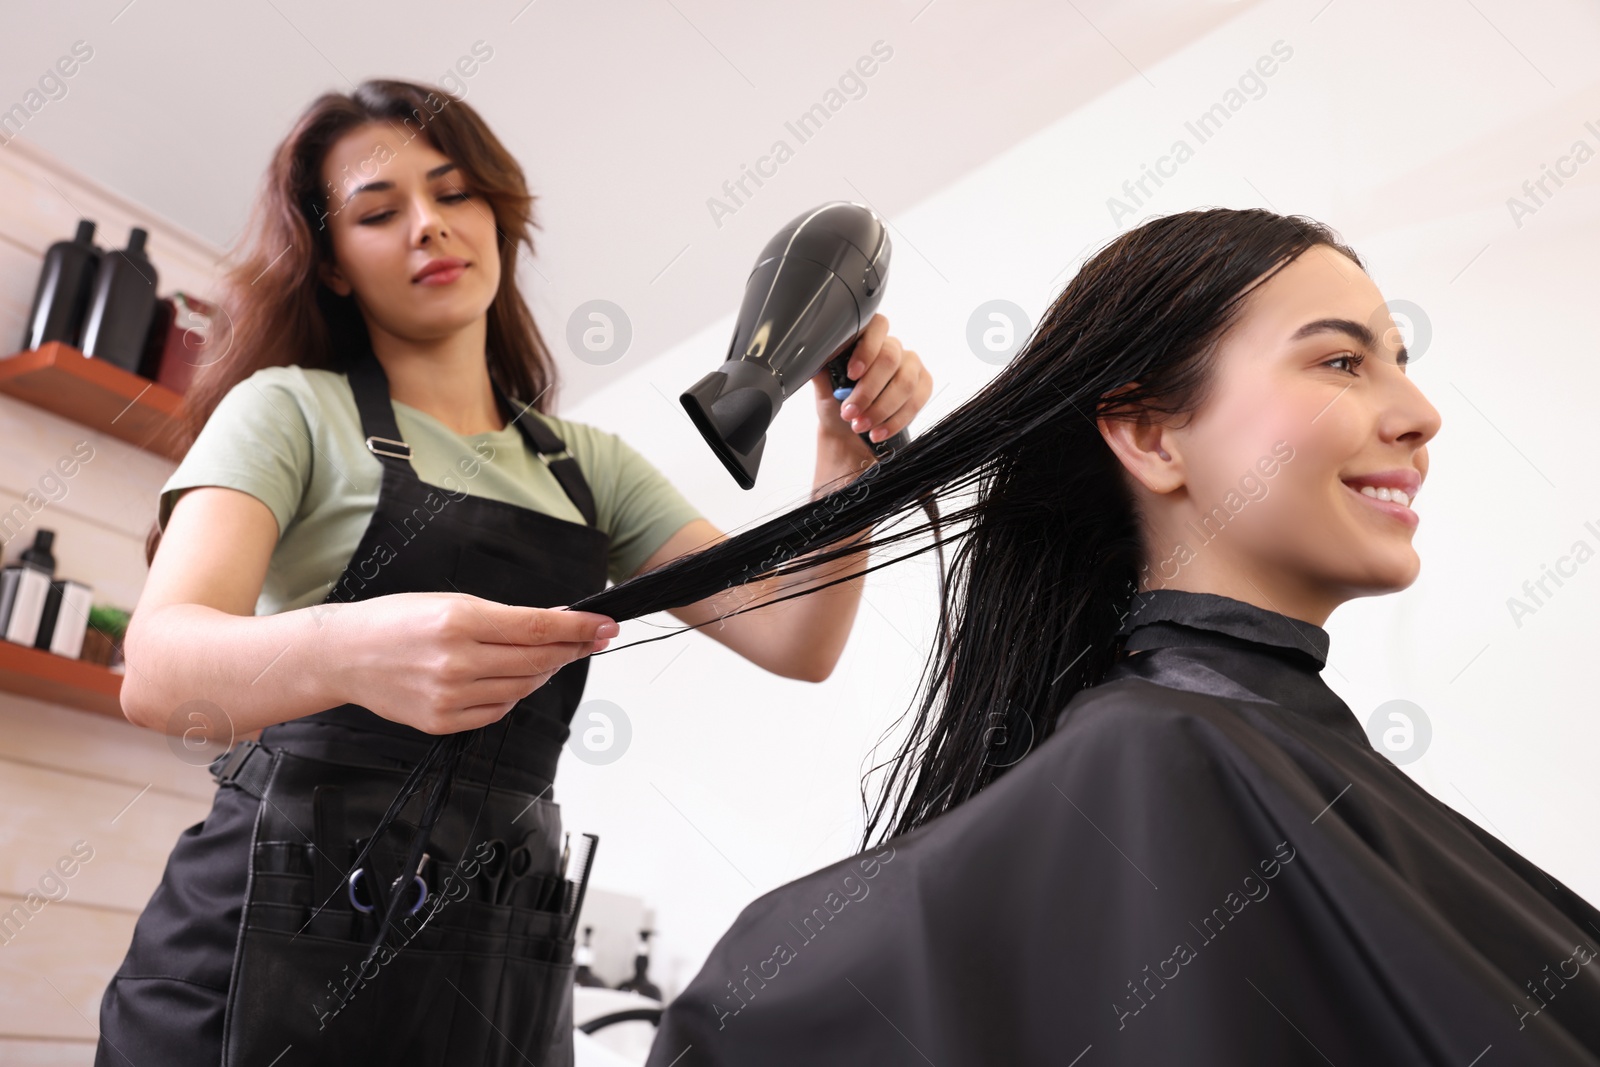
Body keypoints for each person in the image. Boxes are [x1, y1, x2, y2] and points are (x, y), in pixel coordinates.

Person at [559, 207, 1600, 1064]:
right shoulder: (1157, 757)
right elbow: (750, 1022)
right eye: (1339, 360)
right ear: (1150, 434)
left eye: (1399, 361)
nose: (1419, 411)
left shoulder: (1238, 758)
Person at [94, 79, 931, 1067]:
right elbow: (156, 671)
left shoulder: (589, 467)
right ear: (329, 264)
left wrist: (844, 452)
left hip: (495, 960)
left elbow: (796, 636)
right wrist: (355, 648)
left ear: (497, 213)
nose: (426, 227)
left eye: (453, 194)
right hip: (260, 944)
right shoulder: (288, 410)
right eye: (377, 210)